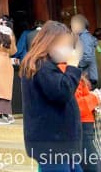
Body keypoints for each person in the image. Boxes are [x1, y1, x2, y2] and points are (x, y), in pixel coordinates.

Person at [20, 20, 83, 171]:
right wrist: (73, 67)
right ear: (50, 43)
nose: (69, 49)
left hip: (57, 143)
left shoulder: (43, 65)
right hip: (52, 144)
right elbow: (62, 92)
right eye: (65, 44)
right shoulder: (42, 66)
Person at [76, 74, 101, 172]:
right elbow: (75, 106)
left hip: (86, 128)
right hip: (81, 128)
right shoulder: (65, 72)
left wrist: (93, 96)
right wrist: (94, 98)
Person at [70, 15, 98, 87]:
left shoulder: (84, 37)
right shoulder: (83, 36)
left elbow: (87, 57)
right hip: (88, 74)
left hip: (87, 74)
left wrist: (76, 64)